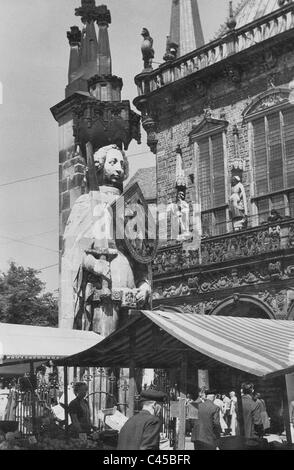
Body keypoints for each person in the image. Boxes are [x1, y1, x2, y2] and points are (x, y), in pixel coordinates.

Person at [60, 144, 151, 336]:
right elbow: (74, 251)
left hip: (131, 289)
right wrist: (93, 264)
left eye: (121, 163)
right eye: (113, 162)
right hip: (104, 287)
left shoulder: (132, 204)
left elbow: (141, 254)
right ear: (99, 166)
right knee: (103, 347)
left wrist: (145, 283)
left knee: (130, 352)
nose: (119, 168)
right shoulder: (87, 202)